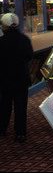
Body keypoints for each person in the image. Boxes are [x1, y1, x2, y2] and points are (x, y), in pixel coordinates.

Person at [0, 13, 34, 143]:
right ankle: (20, 133)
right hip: (21, 77)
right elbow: (29, 56)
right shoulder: (24, 39)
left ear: (5, 26)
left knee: (5, 104)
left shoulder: (2, 41)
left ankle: (2, 128)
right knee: (21, 106)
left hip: (5, 78)